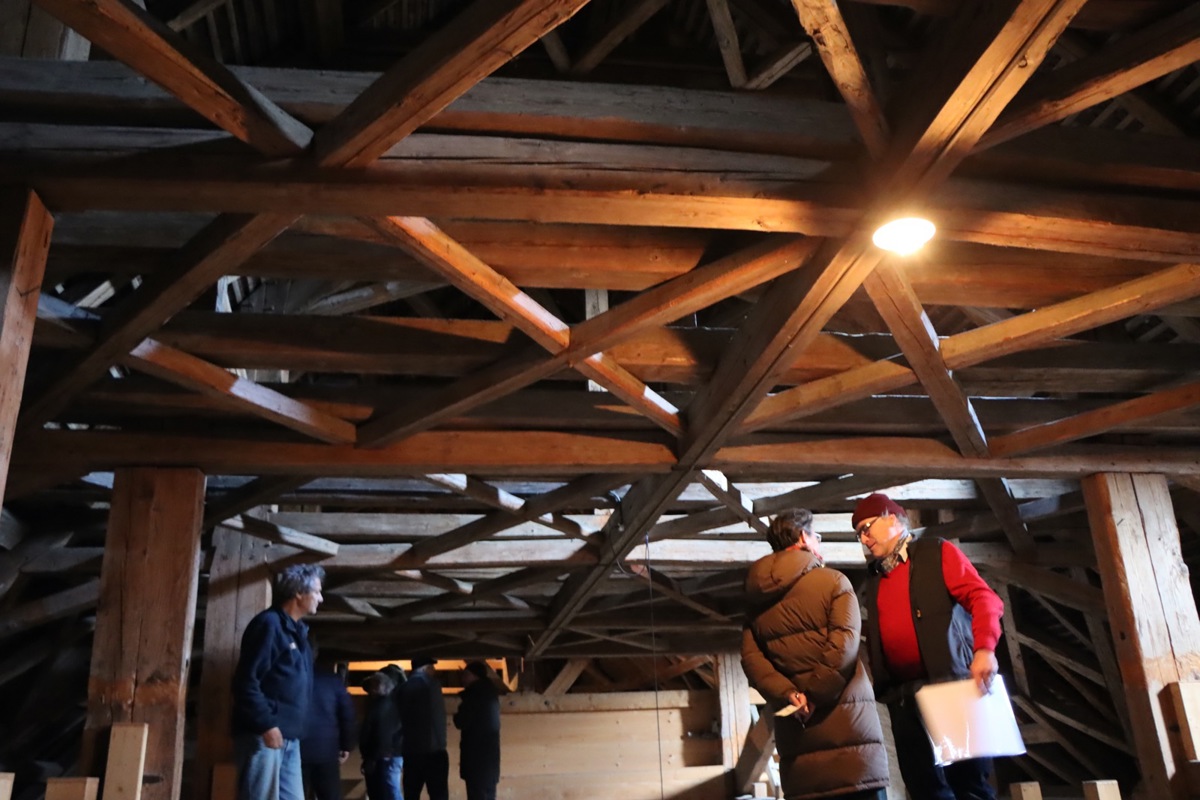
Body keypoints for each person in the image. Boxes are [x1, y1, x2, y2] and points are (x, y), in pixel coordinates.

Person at [852, 492, 1005, 800]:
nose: (864, 538)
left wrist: (985, 649)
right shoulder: (877, 578)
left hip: (951, 687)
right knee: (925, 790)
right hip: (903, 697)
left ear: (892, 519)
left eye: (867, 528)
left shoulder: (938, 553)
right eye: (858, 534)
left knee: (970, 786)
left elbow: (985, 599)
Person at [741, 509, 889, 800]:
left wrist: (789, 695)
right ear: (802, 537)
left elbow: (752, 661)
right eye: (816, 536)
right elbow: (844, 645)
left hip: (798, 747)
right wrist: (815, 694)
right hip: (850, 741)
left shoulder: (755, 601)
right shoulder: (833, 582)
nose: (819, 544)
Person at [232, 564, 326, 800]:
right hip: (265, 735)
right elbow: (245, 682)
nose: (320, 598)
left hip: (289, 737)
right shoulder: (269, 625)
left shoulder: (297, 633)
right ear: (298, 593)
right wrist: (266, 725)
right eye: (316, 592)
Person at [300, 639, 356, 800]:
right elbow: (347, 715)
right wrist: (347, 745)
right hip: (326, 750)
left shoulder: (288, 676)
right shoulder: (332, 680)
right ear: (316, 654)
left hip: (295, 749)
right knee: (330, 795)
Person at [400, 656, 449, 800]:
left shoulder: (402, 688)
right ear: (426, 668)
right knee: (438, 794)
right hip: (433, 752)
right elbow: (438, 717)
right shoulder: (431, 685)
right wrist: (441, 745)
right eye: (432, 667)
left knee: (411, 793)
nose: (433, 670)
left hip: (410, 752)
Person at [453, 661, 501, 800]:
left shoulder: (474, 695)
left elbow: (461, 721)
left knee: (477, 794)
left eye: (466, 675)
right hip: (488, 759)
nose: (463, 678)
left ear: (475, 676)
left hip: (476, 758)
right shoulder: (490, 692)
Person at [360, 671, 404, 800]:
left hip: (383, 757)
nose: (370, 691)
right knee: (390, 788)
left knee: (388, 790)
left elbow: (381, 734)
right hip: (388, 754)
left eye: (373, 686)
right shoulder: (388, 704)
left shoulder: (381, 707)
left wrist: (371, 758)